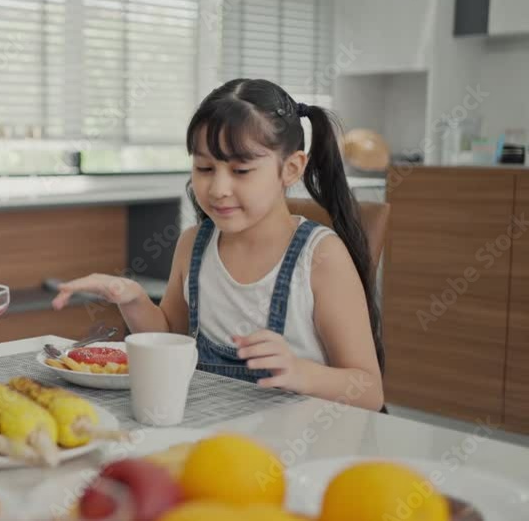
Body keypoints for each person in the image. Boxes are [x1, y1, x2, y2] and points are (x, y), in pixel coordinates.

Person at [53, 78, 385, 411]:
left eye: (241, 170)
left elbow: (370, 392)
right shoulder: (193, 244)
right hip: (210, 428)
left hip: (298, 435)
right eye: (205, 168)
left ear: (291, 168)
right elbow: (170, 337)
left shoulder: (320, 257)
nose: (218, 189)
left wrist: (301, 373)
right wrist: (133, 299)